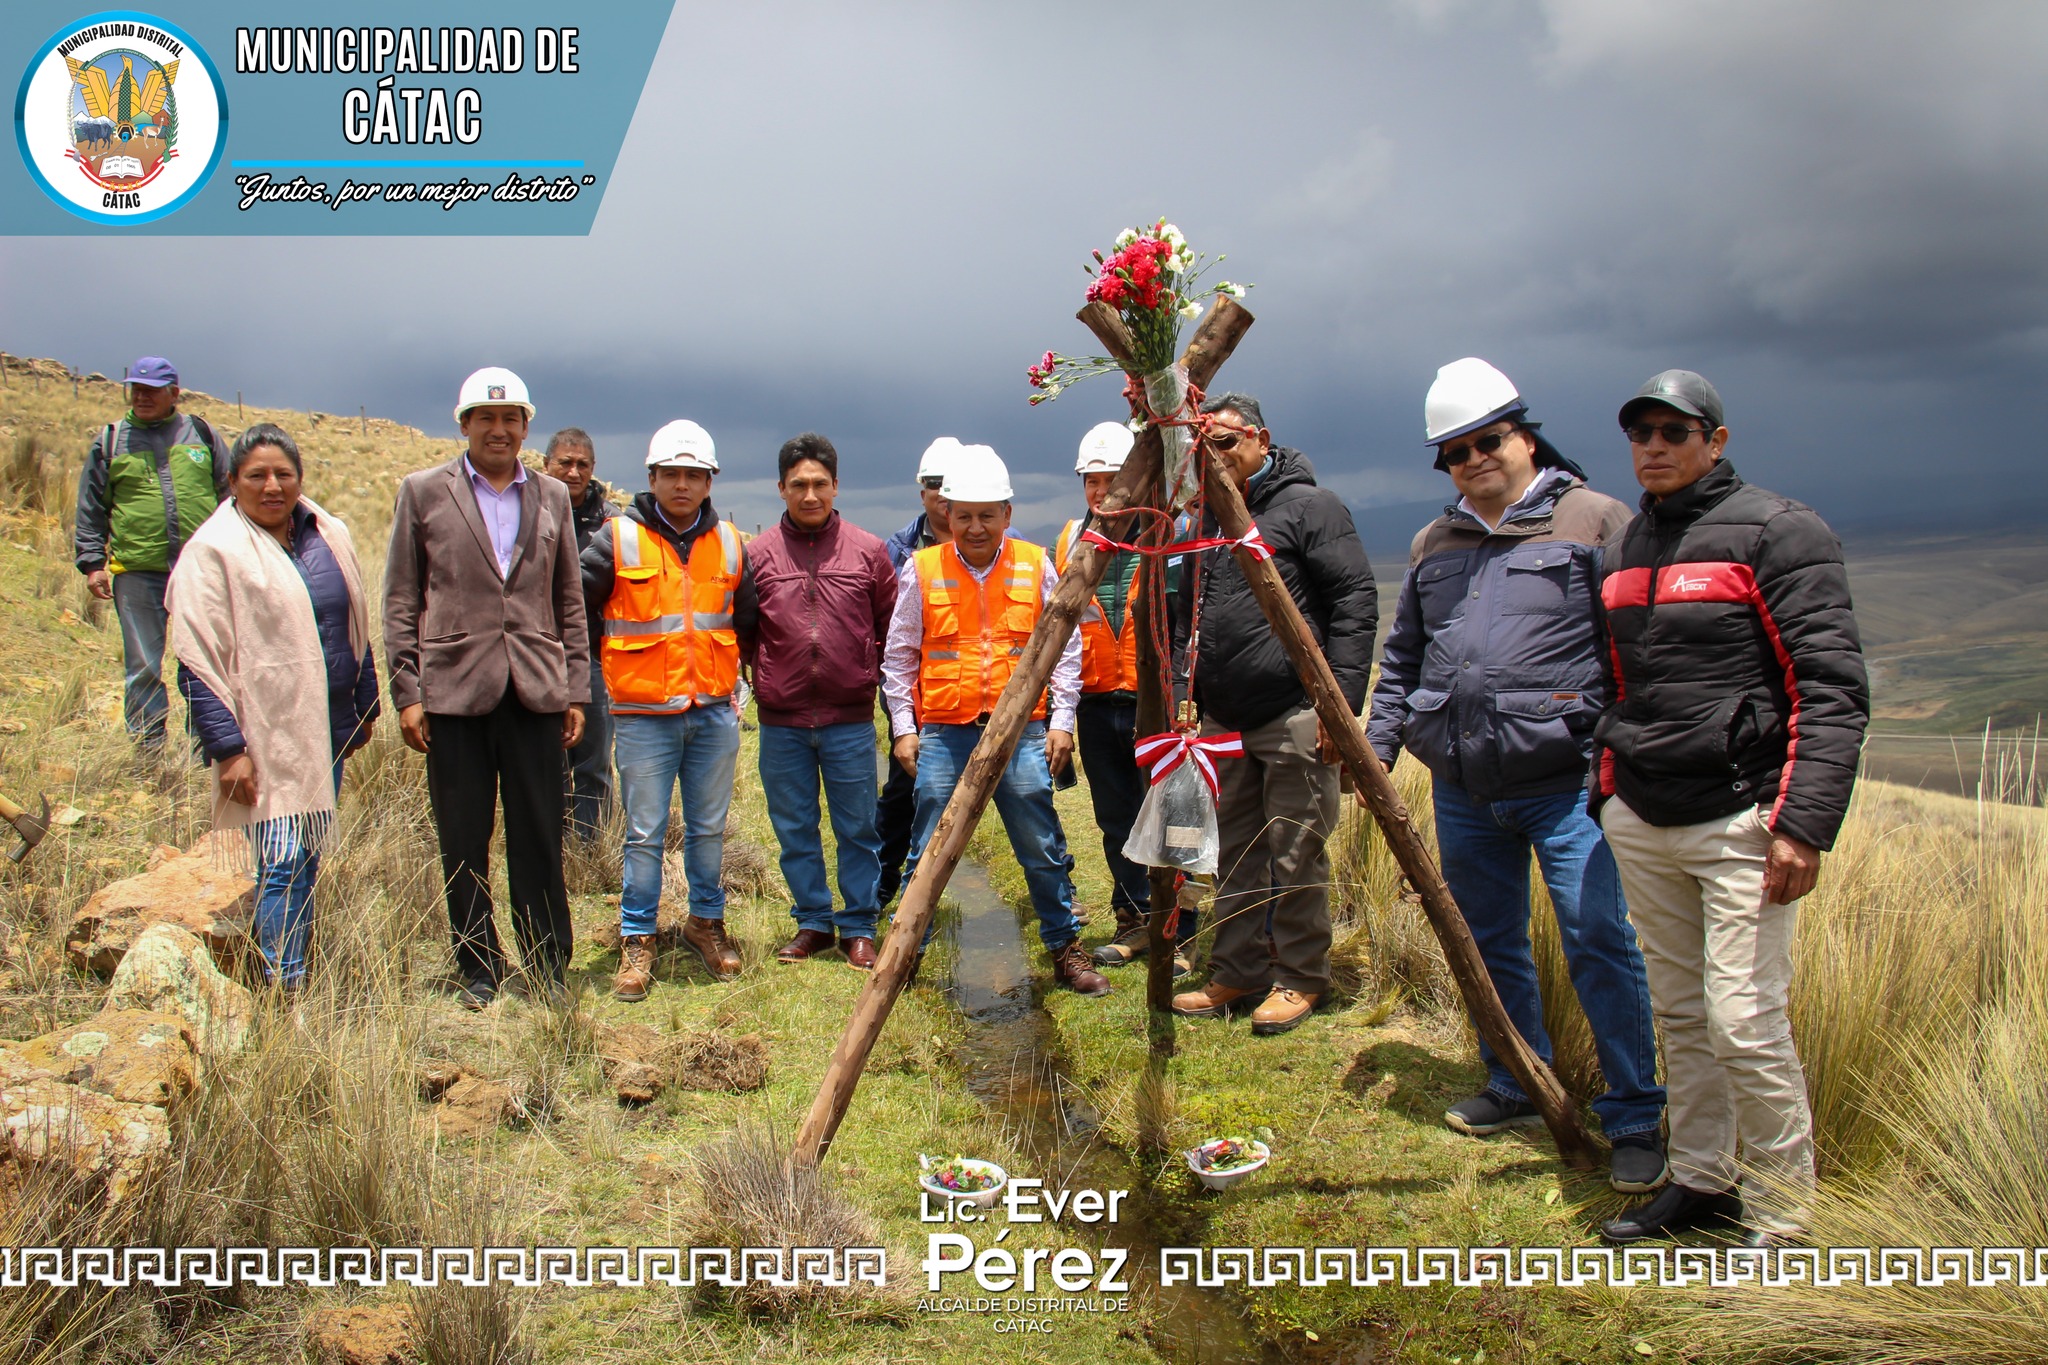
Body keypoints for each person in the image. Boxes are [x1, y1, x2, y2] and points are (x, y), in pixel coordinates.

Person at [1366, 358, 1666, 1194]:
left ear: (1523, 435)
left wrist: (1623, 753)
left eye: (1487, 440)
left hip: (1567, 783)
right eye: (1454, 452)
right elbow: (1402, 658)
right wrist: (1379, 745)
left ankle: (1636, 1113)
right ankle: (1518, 1083)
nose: (1473, 459)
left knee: (1598, 938)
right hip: (1463, 785)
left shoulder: (1596, 518)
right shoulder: (1435, 542)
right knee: (1488, 940)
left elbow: (1634, 650)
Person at [1590, 370, 1869, 1246]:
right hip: (1644, 810)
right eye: (1641, 432)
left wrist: (1801, 825)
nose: (1655, 446)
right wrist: (1608, 789)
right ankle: (1702, 1183)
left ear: (1717, 438)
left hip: (1739, 816)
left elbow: (1832, 688)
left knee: (1744, 1021)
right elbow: (1617, 678)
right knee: (1680, 1011)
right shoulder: (1629, 543)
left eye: (1676, 431)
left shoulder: (1781, 531)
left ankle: (1785, 1219)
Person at [1170, 393, 1376, 1035]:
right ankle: (1237, 969)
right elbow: (1186, 616)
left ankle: (1300, 975)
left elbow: (1353, 601)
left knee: (1295, 848)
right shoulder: (1199, 520)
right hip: (1223, 717)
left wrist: (1336, 707)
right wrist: (1185, 689)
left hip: (1293, 711)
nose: (1216, 456)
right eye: (1203, 446)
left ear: (1260, 440)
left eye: (1227, 443)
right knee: (1234, 850)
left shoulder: (1309, 507)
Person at [384, 367, 589, 1010]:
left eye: (511, 419)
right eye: (485, 418)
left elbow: (569, 600)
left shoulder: (552, 497)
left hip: (534, 690)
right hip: (453, 693)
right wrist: (408, 690)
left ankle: (546, 961)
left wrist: (575, 688)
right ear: (464, 423)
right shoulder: (422, 492)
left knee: (538, 832)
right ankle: (478, 965)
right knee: (464, 834)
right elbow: (400, 597)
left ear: (526, 426)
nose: (498, 430)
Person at [881, 444, 1110, 996]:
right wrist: (904, 727)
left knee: (1040, 842)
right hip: (946, 731)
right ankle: (906, 952)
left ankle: (1064, 947)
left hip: (1022, 731)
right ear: (946, 513)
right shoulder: (922, 567)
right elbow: (899, 654)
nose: (975, 527)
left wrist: (1062, 720)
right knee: (928, 846)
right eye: (964, 515)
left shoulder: (1036, 563)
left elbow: (1065, 646)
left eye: (987, 515)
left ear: (1007, 513)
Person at [168, 424, 378, 990]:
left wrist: (365, 701)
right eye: (256, 475)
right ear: (232, 480)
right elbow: (196, 660)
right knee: (283, 861)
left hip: (323, 730)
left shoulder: (325, 534)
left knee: (304, 855)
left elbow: (351, 621)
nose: (271, 486)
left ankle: (288, 968)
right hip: (263, 738)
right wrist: (229, 750)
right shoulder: (213, 552)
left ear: (299, 480)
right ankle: (283, 985)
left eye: (283, 474)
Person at [581, 419, 758, 999]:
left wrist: (740, 687)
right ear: (652, 478)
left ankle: (705, 924)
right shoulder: (615, 539)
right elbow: (575, 612)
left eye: (694, 475)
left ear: (709, 482)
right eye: (671, 475)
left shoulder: (731, 544)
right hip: (642, 716)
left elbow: (747, 624)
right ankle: (637, 938)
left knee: (708, 830)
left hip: (711, 712)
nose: (682, 485)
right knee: (644, 832)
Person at [747, 433, 897, 970]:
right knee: (794, 826)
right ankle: (812, 921)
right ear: (781, 488)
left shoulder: (869, 551)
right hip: (782, 720)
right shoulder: (757, 555)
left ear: (835, 485)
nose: (809, 495)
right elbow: (747, 630)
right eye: (798, 485)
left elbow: (888, 628)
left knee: (857, 826)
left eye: (819, 484)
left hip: (849, 720)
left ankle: (858, 925)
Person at [1052, 421, 1195, 974]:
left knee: (1173, 817)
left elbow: (1188, 622)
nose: (1101, 490)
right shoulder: (1070, 541)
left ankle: (1178, 931)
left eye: (1113, 477)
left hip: (1153, 702)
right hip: (1095, 703)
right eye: (1092, 480)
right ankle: (1135, 920)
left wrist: (1186, 699)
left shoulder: (1173, 534)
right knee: (1117, 819)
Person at [74, 356, 230, 755]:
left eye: (152, 390)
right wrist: (93, 563)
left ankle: (206, 750)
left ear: (174, 393)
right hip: (138, 571)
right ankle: (147, 752)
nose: (141, 396)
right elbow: (90, 507)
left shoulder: (201, 434)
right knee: (142, 665)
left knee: (202, 662)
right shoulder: (110, 441)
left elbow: (230, 496)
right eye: (136, 389)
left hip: (200, 570)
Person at [874, 437, 961, 910]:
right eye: (933, 486)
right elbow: (890, 634)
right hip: (917, 698)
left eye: (950, 487)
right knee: (905, 791)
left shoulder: (994, 541)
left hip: (979, 695)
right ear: (921, 491)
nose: (942, 497)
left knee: (1019, 793)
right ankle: (887, 885)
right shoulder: (899, 550)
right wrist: (898, 708)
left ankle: (1056, 897)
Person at [544, 428, 620, 841]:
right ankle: (551, 847)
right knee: (545, 761)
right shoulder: (528, 513)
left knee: (591, 761)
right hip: (537, 658)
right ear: (546, 464)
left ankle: (591, 850)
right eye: (565, 463)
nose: (573, 472)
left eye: (582, 465)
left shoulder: (613, 524)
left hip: (593, 658)